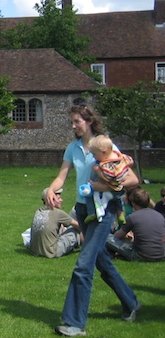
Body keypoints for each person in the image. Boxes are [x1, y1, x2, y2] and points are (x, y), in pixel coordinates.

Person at [45, 103, 140, 336]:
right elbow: (61, 176)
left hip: (103, 210)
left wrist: (105, 185)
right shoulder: (73, 148)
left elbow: (132, 179)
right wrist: (51, 189)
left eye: (77, 121)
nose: (73, 126)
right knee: (101, 261)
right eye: (72, 122)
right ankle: (132, 302)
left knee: (83, 264)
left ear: (88, 121)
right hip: (83, 208)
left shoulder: (105, 146)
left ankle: (75, 323)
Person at [106, 187, 165, 262]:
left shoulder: (132, 217)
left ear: (133, 203)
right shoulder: (159, 215)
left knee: (106, 237)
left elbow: (117, 236)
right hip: (162, 255)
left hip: (141, 256)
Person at [84, 135, 132, 223]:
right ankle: (121, 215)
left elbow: (108, 177)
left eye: (94, 154)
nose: (93, 157)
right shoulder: (119, 158)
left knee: (91, 197)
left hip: (108, 189)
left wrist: (98, 171)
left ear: (103, 152)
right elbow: (129, 161)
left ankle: (93, 213)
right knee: (119, 200)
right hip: (119, 190)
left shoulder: (107, 164)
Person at [29, 188, 81, 258]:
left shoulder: (38, 211)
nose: (61, 200)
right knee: (75, 231)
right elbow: (80, 227)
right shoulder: (57, 213)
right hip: (52, 252)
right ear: (51, 200)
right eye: (58, 198)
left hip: (35, 251)